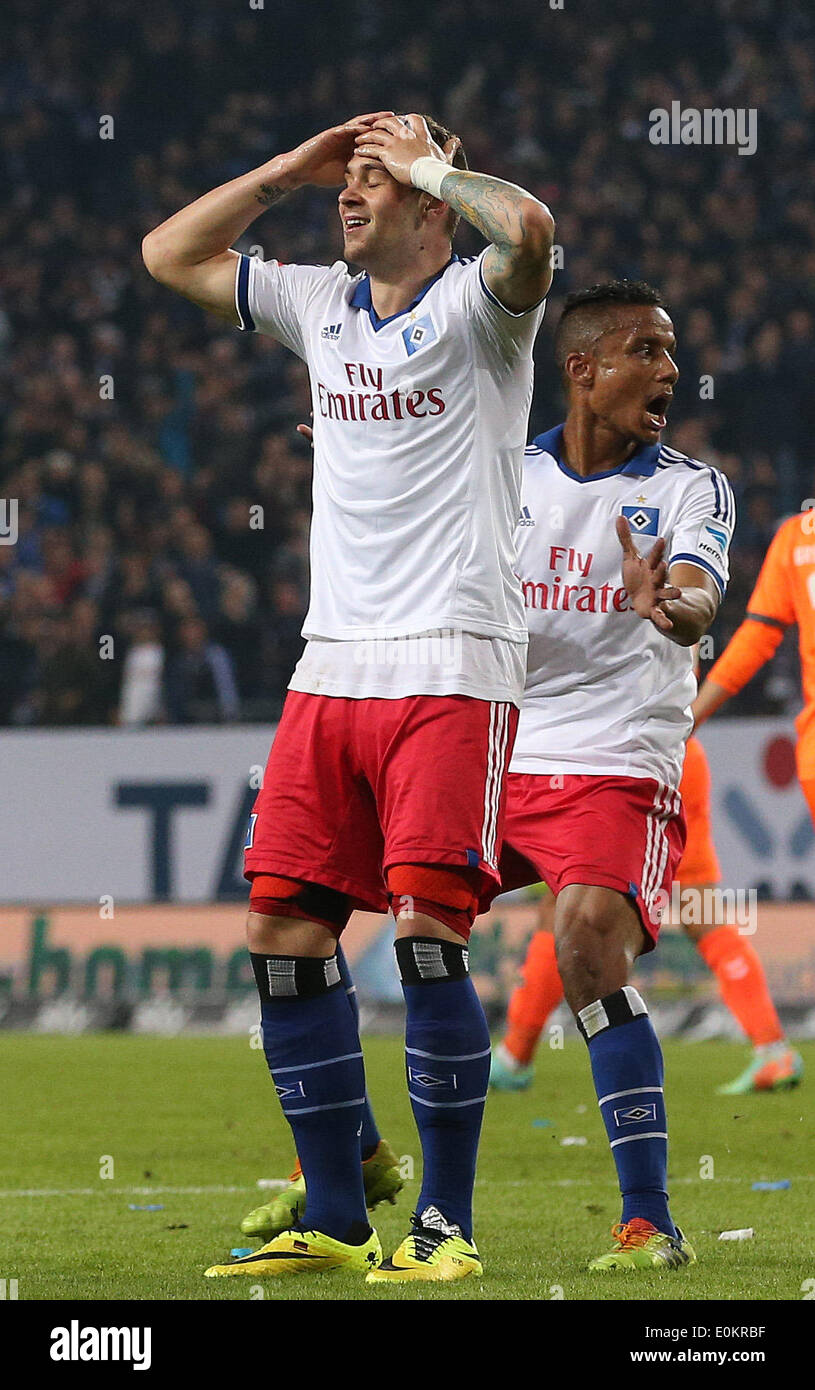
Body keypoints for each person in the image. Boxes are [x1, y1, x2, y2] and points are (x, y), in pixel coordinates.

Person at [142, 110, 553, 1282]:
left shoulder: (481, 305)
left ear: (432, 202)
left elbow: (529, 228)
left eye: (378, 178)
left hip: (451, 664)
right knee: (283, 934)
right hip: (330, 666)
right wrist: (282, 171)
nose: (351, 191)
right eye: (350, 176)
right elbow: (166, 257)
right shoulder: (319, 303)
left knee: (425, 942)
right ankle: (335, 1212)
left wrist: (429, 164)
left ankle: (448, 1228)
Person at [490, 279, 732, 1273]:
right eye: (646, 349)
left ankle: (645, 1220)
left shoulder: (688, 487)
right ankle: (338, 1181)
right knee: (343, 902)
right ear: (581, 369)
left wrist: (666, 607)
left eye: (671, 353)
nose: (669, 370)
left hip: (615, 753)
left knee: (585, 935)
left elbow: (697, 596)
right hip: (499, 743)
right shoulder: (499, 473)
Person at [492, 731, 803, 1096]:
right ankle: (771, 1049)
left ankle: (515, 1055)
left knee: (561, 906)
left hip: (612, 759)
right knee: (700, 911)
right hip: (678, 750)